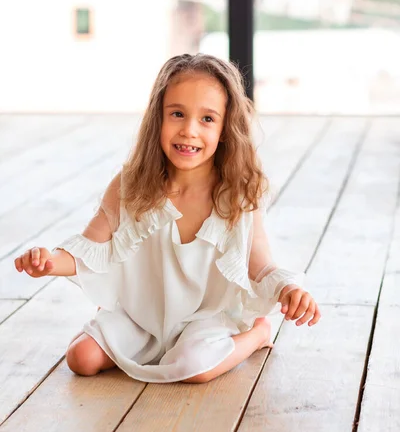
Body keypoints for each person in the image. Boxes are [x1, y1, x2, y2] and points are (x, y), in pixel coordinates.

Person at [14, 53, 321, 384]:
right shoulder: (130, 184)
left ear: (226, 128)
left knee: (196, 369)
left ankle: (257, 334)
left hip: (204, 319)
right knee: (81, 359)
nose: (189, 131)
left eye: (207, 119)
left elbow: (259, 265)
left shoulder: (237, 194)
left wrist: (289, 288)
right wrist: (48, 261)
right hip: (143, 316)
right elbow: (89, 249)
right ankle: (139, 342)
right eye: (177, 114)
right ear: (157, 119)